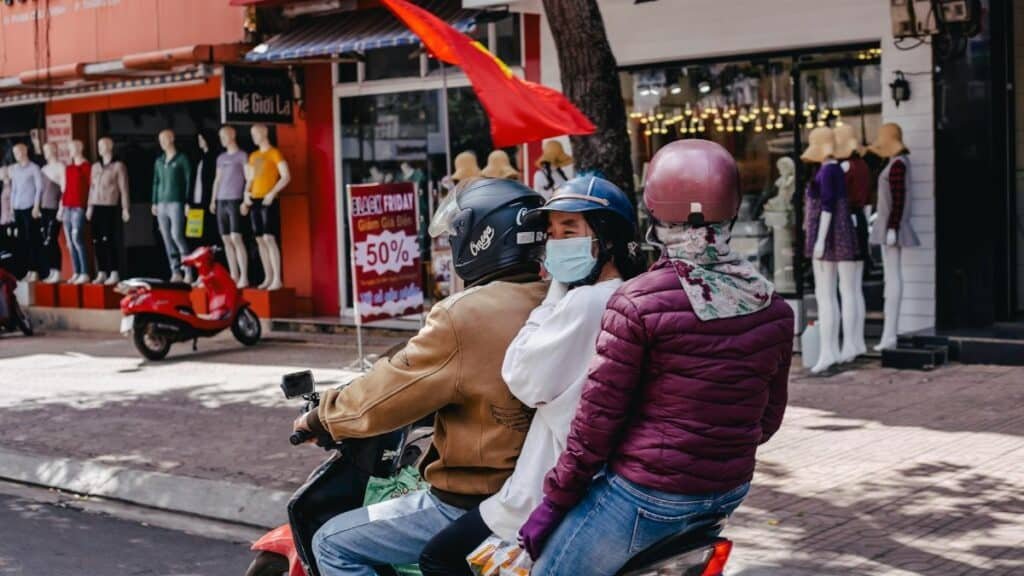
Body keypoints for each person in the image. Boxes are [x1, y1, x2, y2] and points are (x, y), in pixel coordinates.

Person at [518, 140, 795, 576]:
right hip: (728, 490)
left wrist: (553, 503)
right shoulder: (773, 306)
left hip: (648, 496)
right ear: (733, 211)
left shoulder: (636, 303)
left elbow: (595, 427)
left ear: (655, 216)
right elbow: (767, 420)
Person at [293, 178, 548, 576]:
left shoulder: (462, 314)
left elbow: (387, 392)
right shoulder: (558, 299)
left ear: (480, 238)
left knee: (330, 542)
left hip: (471, 500)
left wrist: (321, 416)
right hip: (535, 492)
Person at [418, 176, 645, 576]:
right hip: (587, 482)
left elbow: (520, 377)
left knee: (439, 558)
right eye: (552, 232)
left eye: (570, 230)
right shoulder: (627, 296)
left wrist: (555, 289)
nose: (557, 242)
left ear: (606, 238)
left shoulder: (585, 302)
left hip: (538, 490)